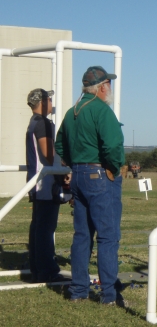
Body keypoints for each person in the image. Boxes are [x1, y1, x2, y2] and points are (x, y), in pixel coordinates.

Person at [55, 66, 125, 306]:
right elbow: (114, 146)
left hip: (77, 174)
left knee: (82, 235)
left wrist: (73, 164)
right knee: (107, 236)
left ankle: (78, 291)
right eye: (109, 84)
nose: (110, 89)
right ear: (102, 87)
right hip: (99, 174)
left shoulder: (70, 112)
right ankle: (108, 295)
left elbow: (60, 145)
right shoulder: (101, 110)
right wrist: (113, 168)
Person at [26, 88, 67, 283]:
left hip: (38, 181)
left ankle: (37, 268)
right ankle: (46, 270)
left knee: (39, 226)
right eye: (49, 100)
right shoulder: (42, 123)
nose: (52, 103)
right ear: (42, 102)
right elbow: (48, 154)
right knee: (45, 227)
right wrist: (65, 167)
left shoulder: (34, 122)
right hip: (45, 182)